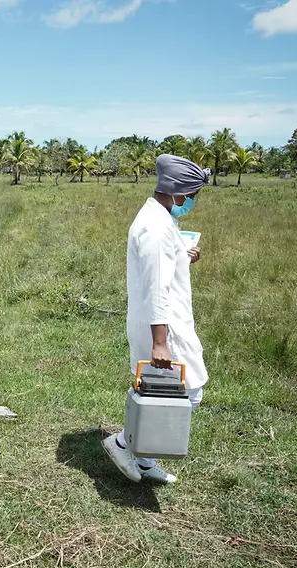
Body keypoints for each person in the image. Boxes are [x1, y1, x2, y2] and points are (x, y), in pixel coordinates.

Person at [103, 154, 210, 484]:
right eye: (192, 195)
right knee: (188, 392)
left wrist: (183, 256)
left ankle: (145, 460)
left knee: (160, 391)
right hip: (163, 326)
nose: (192, 201)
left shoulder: (161, 219)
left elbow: (161, 267)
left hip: (162, 321)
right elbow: (156, 289)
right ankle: (123, 443)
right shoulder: (156, 228)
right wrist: (160, 343)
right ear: (178, 193)